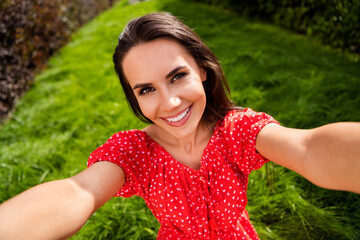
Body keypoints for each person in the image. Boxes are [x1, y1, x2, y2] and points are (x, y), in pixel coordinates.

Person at [0, 12, 359, 240]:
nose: (169, 103)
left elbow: (309, 149)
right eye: (146, 89)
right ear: (135, 98)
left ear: (202, 70)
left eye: (177, 76)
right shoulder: (134, 152)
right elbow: (78, 192)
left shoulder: (236, 131)